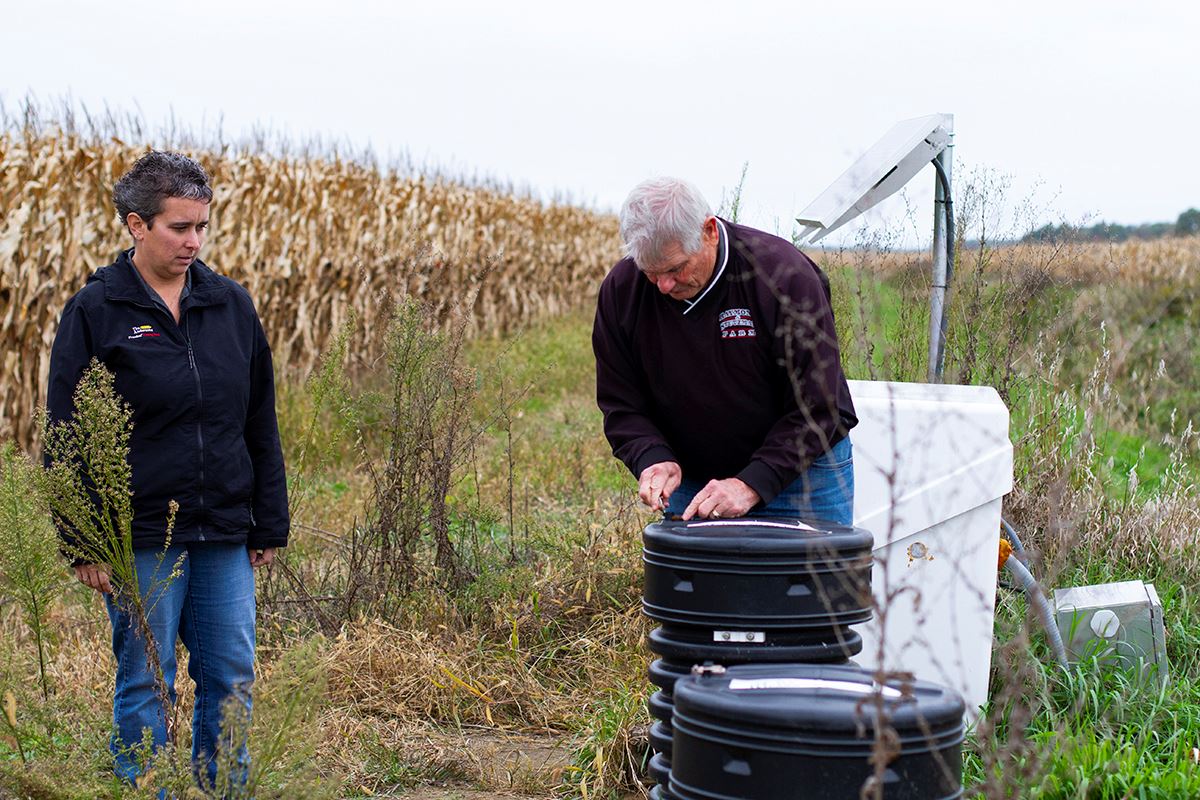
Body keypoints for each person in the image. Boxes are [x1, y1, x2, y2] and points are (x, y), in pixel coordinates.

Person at [46, 151, 289, 789]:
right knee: (147, 684)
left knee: (230, 678)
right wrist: (83, 541)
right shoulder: (97, 312)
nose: (194, 241)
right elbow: (64, 435)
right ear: (136, 225)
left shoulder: (230, 305)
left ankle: (222, 791)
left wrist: (269, 520)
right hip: (138, 537)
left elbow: (258, 419)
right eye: (179, 227)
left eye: (202, 226)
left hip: (223, 531)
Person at [592, 177, 857, 524]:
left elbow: (822, 406)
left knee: (817, 579)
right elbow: (622, 404)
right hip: (696, 484)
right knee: (704, 581)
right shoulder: (622, 291)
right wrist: (652, 456)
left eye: (675, 268)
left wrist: (751, 483)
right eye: (650, 273)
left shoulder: (783, 277)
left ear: (709, 232)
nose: (664, 286)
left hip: (804, 478)